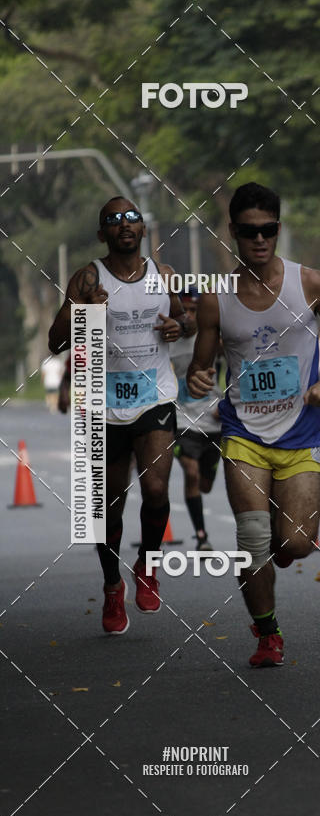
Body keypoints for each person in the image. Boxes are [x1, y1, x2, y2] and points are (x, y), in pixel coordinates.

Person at [187, 182, 320, 667]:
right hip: (242, 434)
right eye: (249, 232)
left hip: (300, 434)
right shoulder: (216, 299)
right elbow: (201, 366)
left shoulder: (308, 283)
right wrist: (199, 376)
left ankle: (282, 545)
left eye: (267, 231)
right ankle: (267, 633)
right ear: (233, 234)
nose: (259, 240)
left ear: (279, 230)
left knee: (298, 544)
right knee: (252, 540)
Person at [48, 196, 195, 635]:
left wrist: (179, 326)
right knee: (108, 505)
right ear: (102, 234)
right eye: (113, 220)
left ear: (143, 229)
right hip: (102, 402)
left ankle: (147, 565)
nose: (124, 224)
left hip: (155, 396)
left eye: (131, 218)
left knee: (155, 488)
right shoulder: (87, 278)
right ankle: (113, 586)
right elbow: (56, 342)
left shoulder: (164, 276)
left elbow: (188, 321)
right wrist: (83, 309)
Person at [169, 290, 222, 550]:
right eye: (184, 311)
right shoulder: (166, 342)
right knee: (190, 473)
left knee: (206, 485)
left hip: (214, 421)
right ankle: (201, 536)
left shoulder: (215, 340)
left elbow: (240, 367)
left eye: (193, 311)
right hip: (182, 419)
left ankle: (200, 524)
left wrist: (227, 404)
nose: (188, 317)